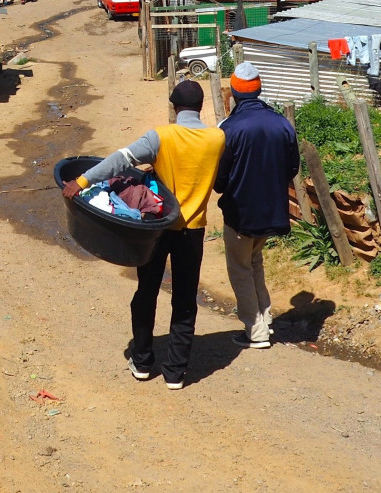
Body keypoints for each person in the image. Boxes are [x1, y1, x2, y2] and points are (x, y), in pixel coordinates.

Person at [61, 79, 224, 389]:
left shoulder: (161, 136)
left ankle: (143, 361)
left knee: (146, 292)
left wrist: (81, 182)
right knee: (185, 300)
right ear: (201, 107)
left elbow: (119, 160)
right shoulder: (217, 138)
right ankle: (175, 372)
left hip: (156, 226)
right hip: (192, 230)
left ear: (175, 108)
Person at [213, 61, 298, 349]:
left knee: (240, 268)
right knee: (254, 262)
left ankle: (255, 331)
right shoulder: (282, 124)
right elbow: (292, 168)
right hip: (272, 212)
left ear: (234, 93)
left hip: (240, 213)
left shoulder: (228, 128)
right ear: (259, 90)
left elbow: (220, 178)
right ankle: (265, 317)